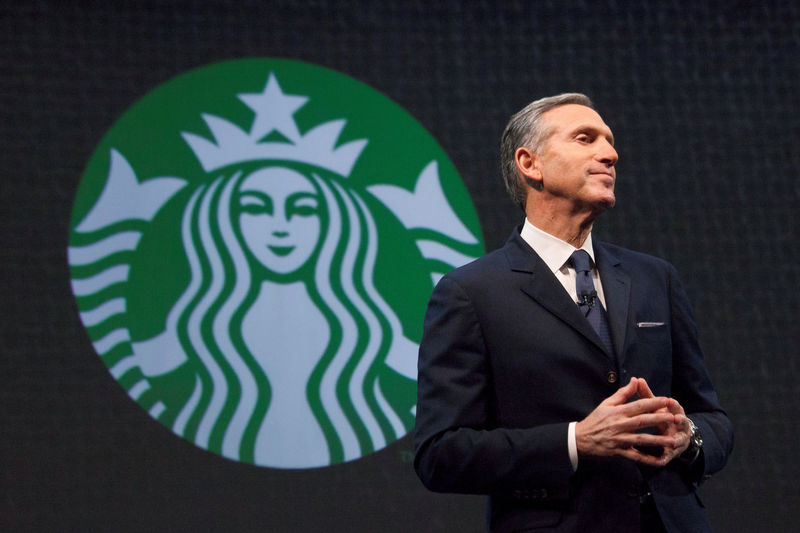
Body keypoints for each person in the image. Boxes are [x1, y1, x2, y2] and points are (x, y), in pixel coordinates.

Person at [413, 93, 733, 532]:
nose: (610, 153)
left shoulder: (654, 278)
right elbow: (440, 454)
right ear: (531, 164)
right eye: (586, 139)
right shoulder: (471, 293)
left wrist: (689, 438)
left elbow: (713, 418)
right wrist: (575, 441)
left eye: (610, 141)